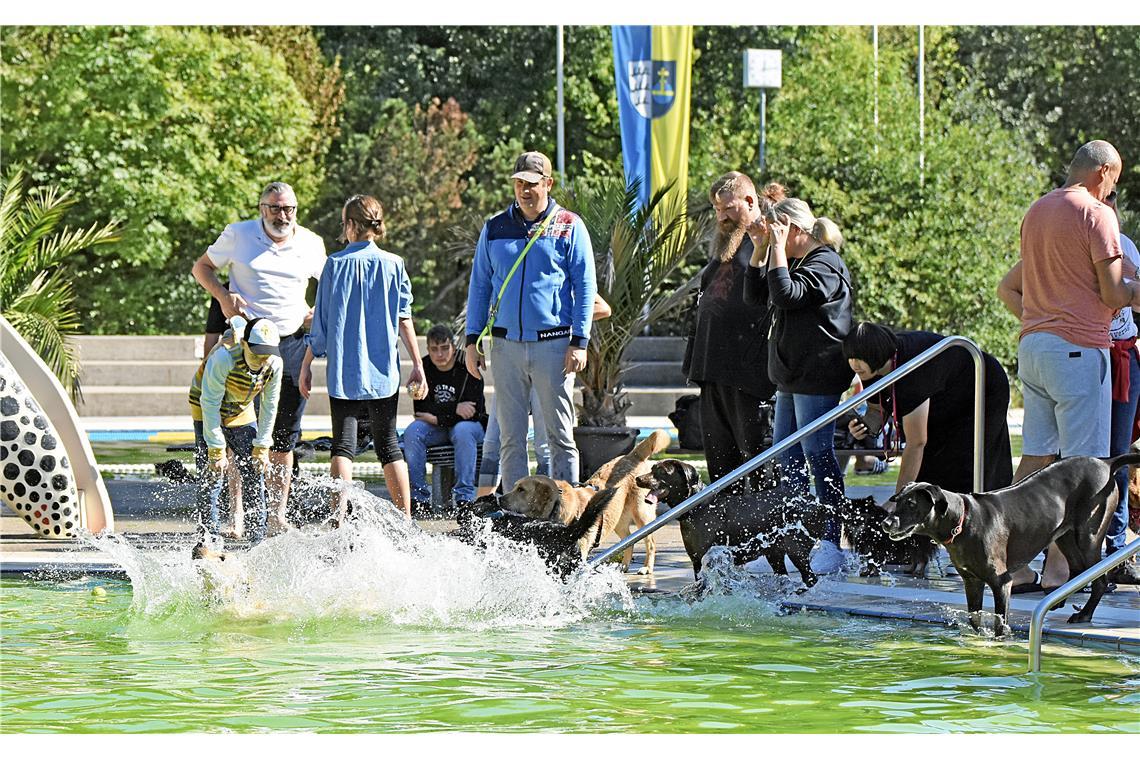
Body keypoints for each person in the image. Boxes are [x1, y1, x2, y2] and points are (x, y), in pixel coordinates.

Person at [997, 139, 1138, 590]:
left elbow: (1015, 286)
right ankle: (1062, 574)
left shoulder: (1038, 210)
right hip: (1079, 352)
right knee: (1086, 471)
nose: (1113, 188)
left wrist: (1047, 320)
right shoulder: (1098, 213)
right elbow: (1115, 294)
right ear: (1103, 173)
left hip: (1034, 348)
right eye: (1115, 179)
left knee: (1036, 459)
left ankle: (1007, 562)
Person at [191, 181, 327, 534]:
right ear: (261, 208)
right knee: (239, 429)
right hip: (243, 343)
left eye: (288, 209)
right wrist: (222, 297)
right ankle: (236, 513)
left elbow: (329, 284)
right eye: (275, 208)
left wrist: (318, 312)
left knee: (283, 434)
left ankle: (276, 514)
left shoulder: (311, 242)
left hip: (291, 343)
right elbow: (201, 268)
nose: (282, 215)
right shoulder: (238, 234)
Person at [465, 150, 596, 490]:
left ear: (548, 184)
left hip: (554, 346)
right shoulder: (494, 228)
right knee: (511, 437)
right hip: (506, 346)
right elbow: (479, 286)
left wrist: (580, 341)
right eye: (519, 183)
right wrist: (471, 340)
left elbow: (585, 286)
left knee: (559, 437)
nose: (525, 190)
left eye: (533, 184)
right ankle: (517, 515)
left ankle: (568, 513)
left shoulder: (569, 226)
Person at [744, 197, 854, 573]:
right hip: (791, 376)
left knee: (818, 455)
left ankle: (830, 539)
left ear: (796, 230)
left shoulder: (826, 263)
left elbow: (787, 296)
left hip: (817, 376)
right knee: (786, 457)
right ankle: (794, 535)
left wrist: (775, 249)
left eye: (778, 230)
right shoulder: (794, 262)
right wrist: (760, 250)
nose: (774, 236)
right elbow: (756, 296)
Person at [300, 195, 426, 519]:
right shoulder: (394, 264)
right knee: (389, 446)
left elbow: (322, 325)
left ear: (352, 225)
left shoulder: (334, 265)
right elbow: (404, 317)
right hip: (383, 371)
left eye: (344, 223)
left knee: (343, 446)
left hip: (344, 371)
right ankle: (405, 522)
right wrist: (418, 365)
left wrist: (306, 365)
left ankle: (338, 522)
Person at [682, 172, 784, 484]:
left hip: (750, 377)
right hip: (712, 372)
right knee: (720, 467)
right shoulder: (723, 248)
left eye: (728, 208)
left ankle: (766, 531)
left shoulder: (769, 240)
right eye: (717, 210)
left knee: (756, 466)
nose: (721, 217)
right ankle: (727, 532)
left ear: (750, 201)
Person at [842, 322, 1014, 497]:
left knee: (963, 466)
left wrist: (898, 499)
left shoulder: (910, 371)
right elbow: (876, 412)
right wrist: (864, 427)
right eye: (850, 358)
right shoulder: (870, 369)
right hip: (944, 394)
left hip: (982, 387)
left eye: (858, 358)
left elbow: (917, 443)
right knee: (930, 469)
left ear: (875, 354)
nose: (853, 364)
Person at [476, 295, 612, 497]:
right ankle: (483, 506)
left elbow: (603, 308)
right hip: (514, 359)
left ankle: (545, 505)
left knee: (545, 446)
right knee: (494, 440)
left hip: (549, 365)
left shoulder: (566, 274)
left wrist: (557, 320)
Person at [188, 317, 282, 544]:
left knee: (254, 471)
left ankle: (256, 541)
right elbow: (209, 403)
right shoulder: (224, 357)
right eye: (256, 353)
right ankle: (208, 541)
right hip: (206, 406)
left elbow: (269, 406)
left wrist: (262, 445)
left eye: (266, 354)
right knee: (212, 476)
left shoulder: (274, 364)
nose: (261, 360)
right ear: (245, 344)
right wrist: (216, 450)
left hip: (240, 408)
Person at [404, 324, 487, 513]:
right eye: (434, 349)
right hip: (439, 428)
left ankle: (464, 498)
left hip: (470, 428)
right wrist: (454, 409)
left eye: (444, 348)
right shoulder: (423, 367)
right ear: (428, 350)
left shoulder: (467, 365)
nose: (439, 354)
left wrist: (437, 417)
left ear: (453, 346)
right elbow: (421, 410)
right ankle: (419, 499)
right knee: (413, 431)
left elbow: (474, 411)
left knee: (462, 430)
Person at [1103, 191, 1140, 584]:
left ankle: (1116, 551)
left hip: (1125, 357)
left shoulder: (1125, 246)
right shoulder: (1074, 240)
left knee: (1120, 456)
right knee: (1078, 457)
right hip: (1087, 353)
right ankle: (1068, 551)